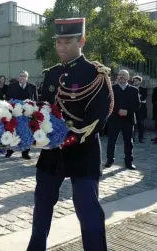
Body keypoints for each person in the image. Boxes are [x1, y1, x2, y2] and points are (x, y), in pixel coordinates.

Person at [27, 18, 112, 251]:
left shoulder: (96, 73)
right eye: (59, 42)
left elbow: (98, 117)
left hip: (83, 151)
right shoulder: (52, 74)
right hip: (52, 154)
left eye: (68, 41)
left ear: (81, 41)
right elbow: (42, 110)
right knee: (42, 207)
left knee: (88, 209)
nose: (61, 47)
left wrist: (71, 137)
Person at [105, 70, 140, 170]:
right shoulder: (111, 89)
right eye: (120, 75)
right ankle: (109, 160)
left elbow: (137, 104)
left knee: (129, 142)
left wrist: (127, 111)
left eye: (124, 75)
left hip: (128, 120)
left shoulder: (134, 90)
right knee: (111, 141)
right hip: (114, 119)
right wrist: (117, 110)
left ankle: (129, 162)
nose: (121, 76)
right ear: (117, 77)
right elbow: (108, 102)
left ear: (128, 77)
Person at [132, 75, 147, 143]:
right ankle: (132, 138)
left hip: (141, 110)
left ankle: (140, 138)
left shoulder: (143, 89)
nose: (135, 82)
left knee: (141, 124)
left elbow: (143, 99)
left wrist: (137, 97)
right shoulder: (131, 88)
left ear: (140, 81)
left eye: (136, 81)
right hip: (133, 109)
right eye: (134, 81)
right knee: (132, 124)